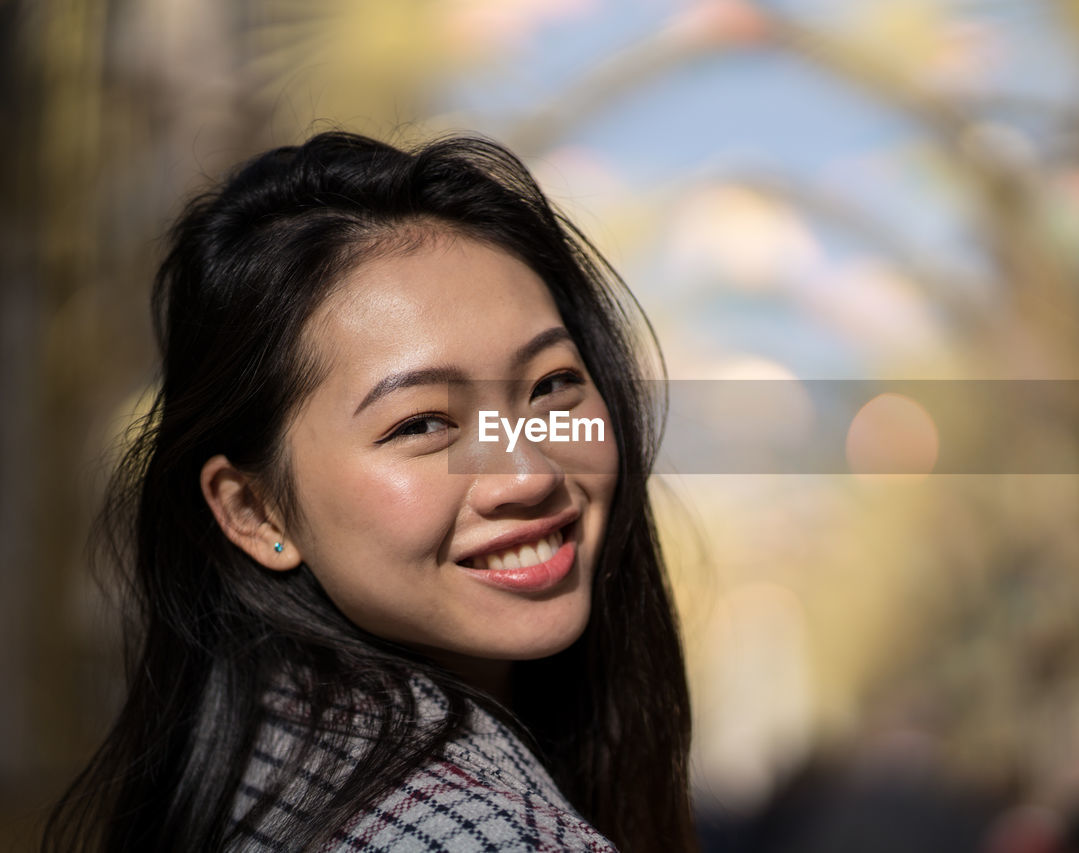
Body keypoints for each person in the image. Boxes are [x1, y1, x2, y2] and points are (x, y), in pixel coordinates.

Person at [43, 131, 695, 852]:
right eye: (422, 423)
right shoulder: (474, 832)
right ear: (253, 510)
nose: (529, 474)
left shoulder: (263, 765)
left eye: (552, 386)